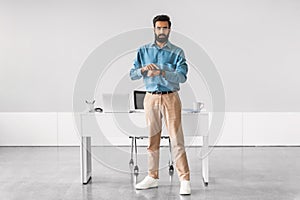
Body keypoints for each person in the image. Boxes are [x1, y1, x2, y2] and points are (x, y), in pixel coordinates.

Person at [129, 14, 191, 195]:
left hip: (171, 97)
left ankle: (184, 179)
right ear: (154, 29)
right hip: (150, 98)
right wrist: (143, 70)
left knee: (177, 140)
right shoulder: (143, 50)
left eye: (165, 28)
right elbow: (132, 74)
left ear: (169, 29)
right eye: (158, 28)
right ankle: (152, 177)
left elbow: (182, 76)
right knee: (152, 140)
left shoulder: (178, 52)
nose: (162, 31)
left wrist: (162, 72)